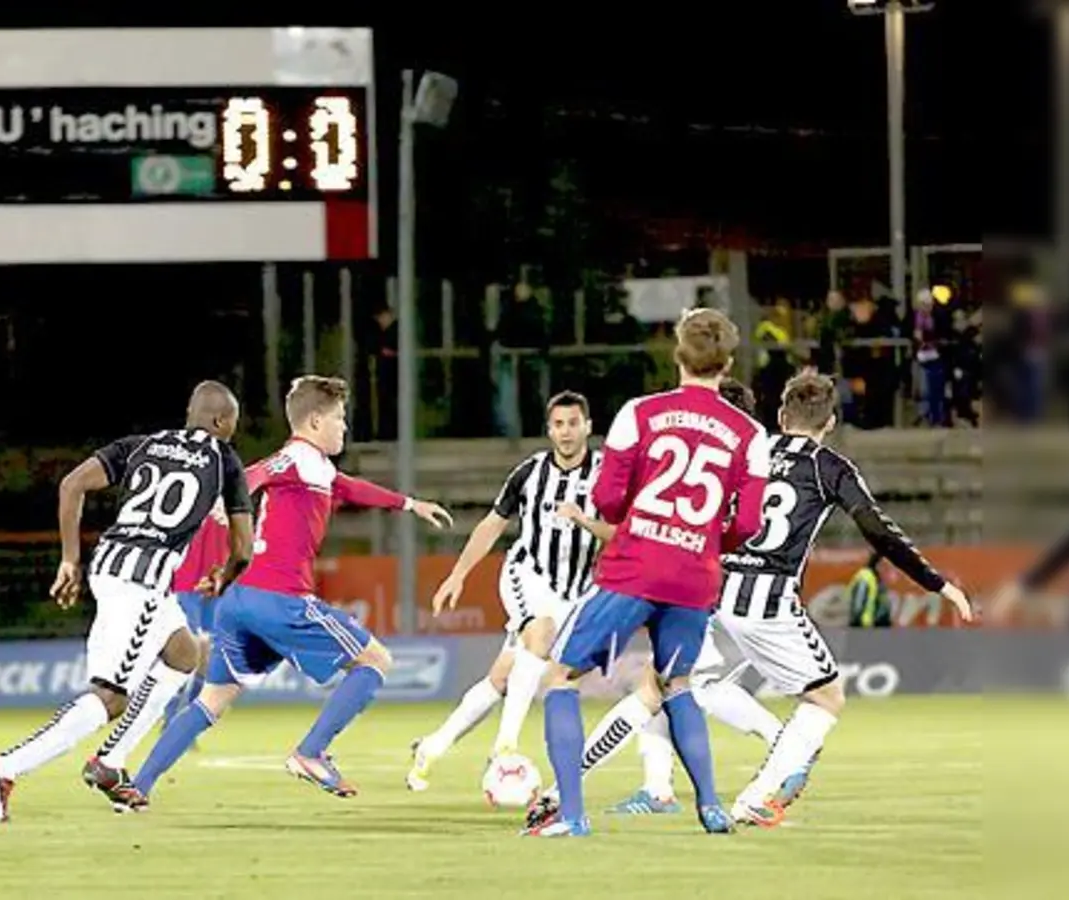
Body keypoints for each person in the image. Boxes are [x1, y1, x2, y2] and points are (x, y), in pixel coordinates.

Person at [126, 376, 452, 806]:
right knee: (375, 660)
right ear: (315, 421)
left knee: (212, 700)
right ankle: (311, 752)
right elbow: (256, 473)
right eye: (339, 418)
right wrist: (223, 498)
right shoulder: (296, 457)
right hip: (279, 599)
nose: (344, 427)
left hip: (240, 601)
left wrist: (409, 504)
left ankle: (136, 787)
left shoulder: (317, 467)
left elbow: (349, 487)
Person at [524, 309, 769, 838]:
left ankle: (570, 816)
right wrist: (704, 541)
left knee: (559, 677)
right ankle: (711, 809)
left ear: (676, 354)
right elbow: (748, 522)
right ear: (726, 364)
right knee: (677, 682)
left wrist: (639, 522)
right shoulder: (750, 434)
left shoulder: (640, 413)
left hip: (634, 568)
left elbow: (607, 497)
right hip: (695, 577)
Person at [0, 381, 254, 823]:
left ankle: (109, 763)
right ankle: (3, 768)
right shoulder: (225, 460)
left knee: (183, 654)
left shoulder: (142, 444)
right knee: (111, 697)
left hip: (113, 564)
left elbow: (72, 485)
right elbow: (244, 547)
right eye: (234, 422)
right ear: (221, 422)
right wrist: (224, 575)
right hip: (140, 581)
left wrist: (69, 559)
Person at [715, 373, 970, 825]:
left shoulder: (749, 450)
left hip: (720, 593)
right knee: (826, 697)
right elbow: (877, 530)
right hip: (770, 603)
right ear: (829, 422)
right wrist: (937, 584)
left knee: (695, 682)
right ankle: (757, 794)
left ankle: (666, 773)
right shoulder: (829, 467)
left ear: (780, 416)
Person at [407, 391, 604, 791]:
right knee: (540, 630)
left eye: (573, 423)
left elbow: (619, 532)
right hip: (526, 573)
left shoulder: (606, 474)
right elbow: (492, 524)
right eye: (559, 424)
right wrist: (459, 573)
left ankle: (433, 745)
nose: (566, 432)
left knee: (502, 677)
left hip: (574, 592)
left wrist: (586, 522)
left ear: (588, 426)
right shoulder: (529, 473)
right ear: (549, 430)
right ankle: (506, 747)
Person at [159, 505, 228, 733]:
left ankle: (186, 725)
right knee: (188, 653)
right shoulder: (196, 486)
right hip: (187, 584)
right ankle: (169, 719)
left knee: (206, 657)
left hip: (215, 586)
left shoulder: (236, 492)